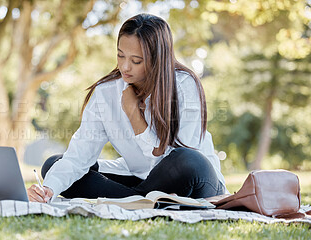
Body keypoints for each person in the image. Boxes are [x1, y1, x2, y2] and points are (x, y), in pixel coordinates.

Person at [27, 13, 227, 203]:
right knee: (53, 166)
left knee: (188, 160)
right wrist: (48, 190)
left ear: (158, 60)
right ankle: (142, 200)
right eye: (121, 56)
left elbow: (172, 161)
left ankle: (136, 199)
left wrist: (134, 114)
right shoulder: (106, 92)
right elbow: (79, 154)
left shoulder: (184, 85)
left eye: (136, 61)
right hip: (141, 178)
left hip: (193, 179)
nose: (125, 67)